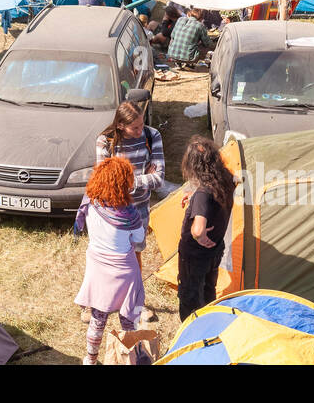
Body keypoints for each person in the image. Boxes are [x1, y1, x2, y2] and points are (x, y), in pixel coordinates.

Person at [73, 157, 147, 365]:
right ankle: (131, 358)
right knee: (129, 322)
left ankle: (90, 359)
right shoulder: (130, 215)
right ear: (123, 184)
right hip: (125, 274)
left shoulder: (89, 202)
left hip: (98, 269)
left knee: (98, 319)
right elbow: (139, 241)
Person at [176, 137, 236, 320]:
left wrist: (199, 236)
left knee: (190, 295)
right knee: (208, 290)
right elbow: (212, 197)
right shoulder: (226, 181)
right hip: (215, 250)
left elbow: (198, 229)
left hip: (194, 256)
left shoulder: (203, 193)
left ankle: (190, 332)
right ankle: (208, 325)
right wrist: (194, 195)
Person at [96, 100, 165, 225]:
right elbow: (105, 184)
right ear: (120, 125)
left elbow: (159, 180)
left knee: (138, 244)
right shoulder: (105, 141)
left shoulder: (152, 135)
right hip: (114, 210)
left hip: (141, 209)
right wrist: (144, 179)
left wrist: (124, 181)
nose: (140, 131)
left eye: (142, 125)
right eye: (135, 128)